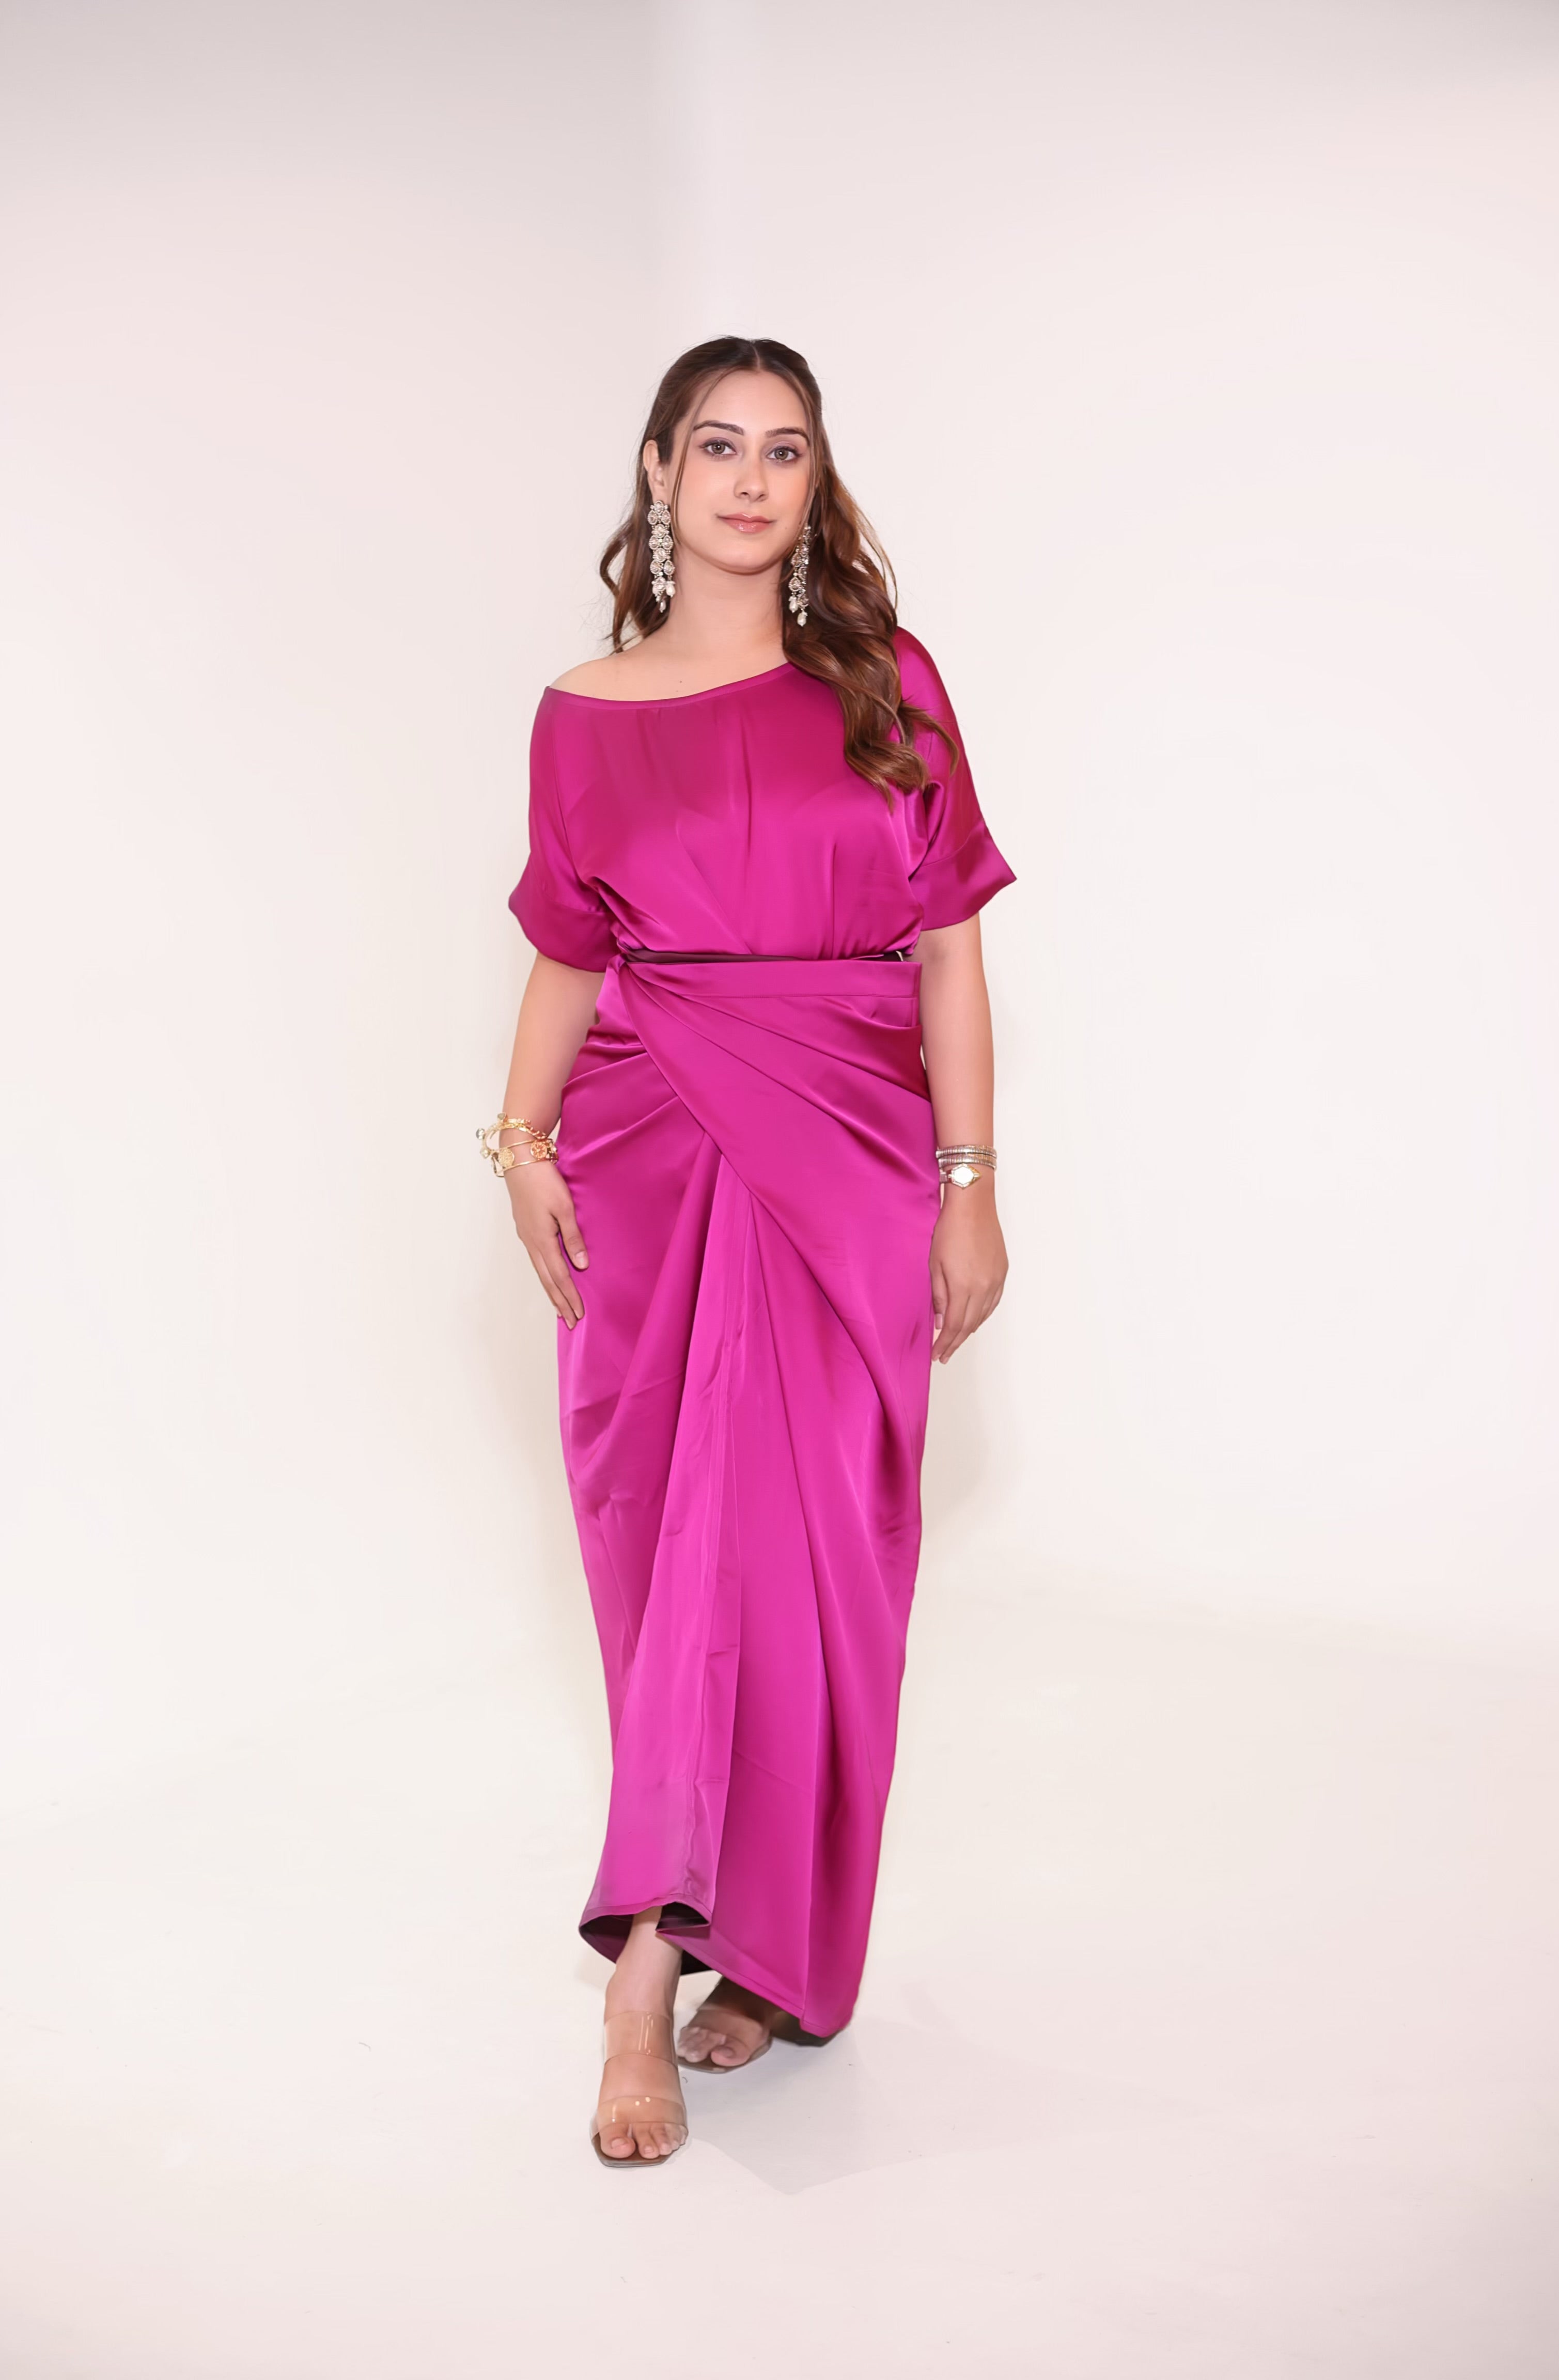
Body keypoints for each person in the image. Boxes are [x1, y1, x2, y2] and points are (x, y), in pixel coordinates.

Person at [486, 336, 1015, 2166]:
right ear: (658, 470)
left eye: (783, 451)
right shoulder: (581, 710)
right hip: (649, 1147)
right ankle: (645, 1966)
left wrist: (969, 1179)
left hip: (854, 1151)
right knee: (674, 1548)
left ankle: (770, 1949)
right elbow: (567, 944)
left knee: (821, 1563)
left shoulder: (885, 680)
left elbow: (949, 945)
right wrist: (519, 1144)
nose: (747, 479)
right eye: (715, 445)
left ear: (813, 484)